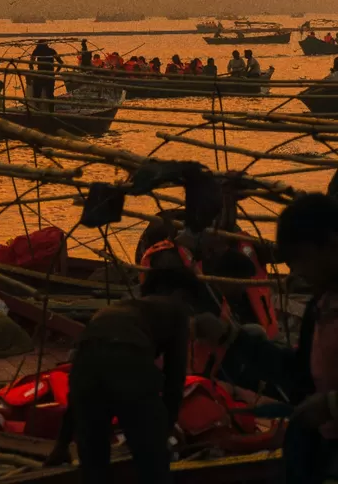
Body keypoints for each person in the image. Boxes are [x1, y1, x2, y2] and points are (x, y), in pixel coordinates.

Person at [200, 194, 338, 482]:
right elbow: (299, 375)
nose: (296, 273)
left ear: (331, 244)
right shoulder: (320, 308)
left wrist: (331, 405)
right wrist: (232, 339)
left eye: (302, 259)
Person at [45, 267, 199, 483]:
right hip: (128, 361)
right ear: (181, 294)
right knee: (153, 466)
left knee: (94, 463)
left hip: (87, 362)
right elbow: (174, 380)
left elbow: (76, 394)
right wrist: (162, 432)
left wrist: (62, 444)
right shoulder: (176, 310)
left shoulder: (119, 309)